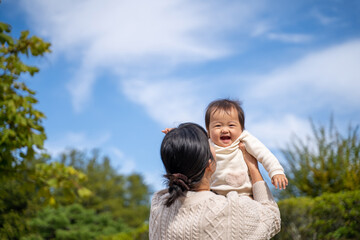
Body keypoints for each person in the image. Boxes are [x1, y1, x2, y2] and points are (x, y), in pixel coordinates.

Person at [150, 123, 281, 239]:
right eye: (210, 143)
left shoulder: (158, 205)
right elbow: (272, 217)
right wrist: (253, 168)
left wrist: (179, 144)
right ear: (209, 165)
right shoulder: (231, 209)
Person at [163, 98, 288, 197]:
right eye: (217, 126)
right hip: (214, 194)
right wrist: (177, 133)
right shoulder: (208, 141)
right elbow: (192, 138)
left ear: (241, 128)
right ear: (208, 129)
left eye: (231, 125)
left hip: (243, 194)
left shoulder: (244, 139)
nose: (224, 130)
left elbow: (264, 154)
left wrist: (276, 171)